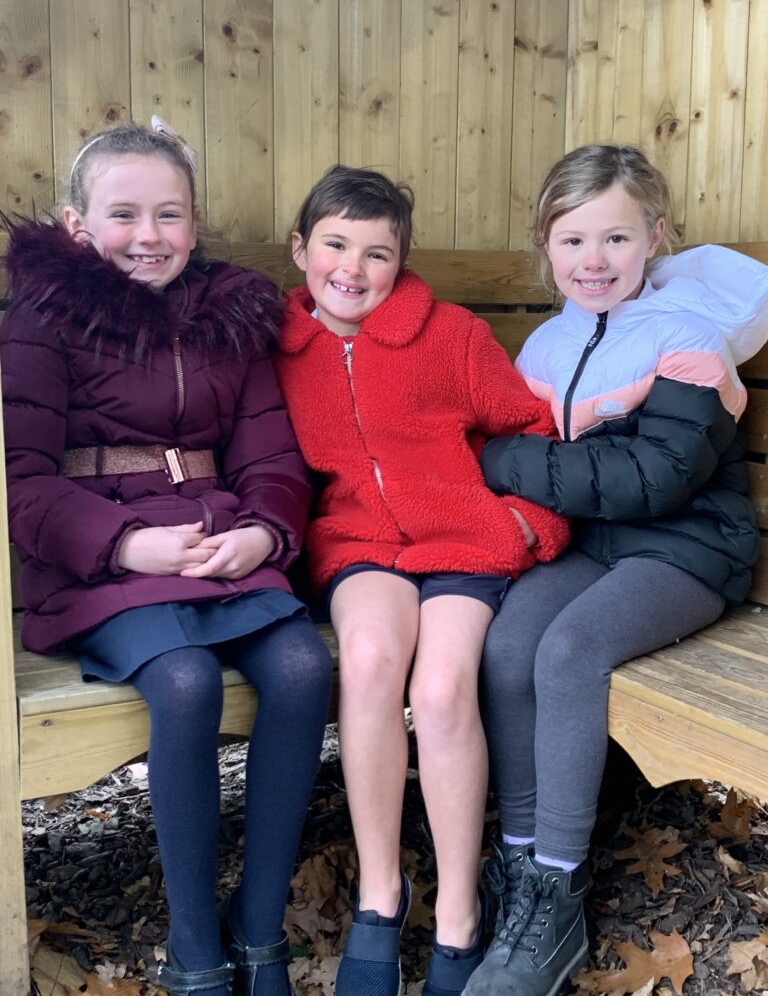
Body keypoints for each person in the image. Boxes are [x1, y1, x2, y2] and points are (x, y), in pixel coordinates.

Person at [0, 121, 333, 996]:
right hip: (100, 559)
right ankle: (196, 947)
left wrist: (263, 534)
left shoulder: (230, 319)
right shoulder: (42, 316)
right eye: (124, 214)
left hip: (215, 543)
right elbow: (23, 480)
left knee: (303, 667)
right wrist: (121, 542)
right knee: (184, 681)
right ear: (77, 225)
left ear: (194, 221)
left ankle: (260, 928)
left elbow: (271, 458)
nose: (148, 236)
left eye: (169, 214)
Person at [464, 143, 765, 996]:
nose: (593, 261)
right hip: (592, 544)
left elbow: (652, 479)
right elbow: (545, 460)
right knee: (508, 642)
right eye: (573, 240)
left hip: (687, 548)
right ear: (545, 243)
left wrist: (505, 460)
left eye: (616, 239)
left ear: (654, 238)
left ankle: (557, 891)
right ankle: (521, 859)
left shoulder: (689, 339)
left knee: (569, 652)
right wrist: (519, 459)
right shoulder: (546, 345)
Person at [272, 164, 571, 996]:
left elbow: (532, 432)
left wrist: (524, 525)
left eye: (377, 253)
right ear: (300, 249)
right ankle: (380, 897)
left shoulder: (453, 337)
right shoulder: (279, 350)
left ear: (401, 261)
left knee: (440, 691)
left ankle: (459, 914)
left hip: (461, 544)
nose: (353, 269)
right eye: (335, 245)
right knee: (368, 661)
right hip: (359, 543)